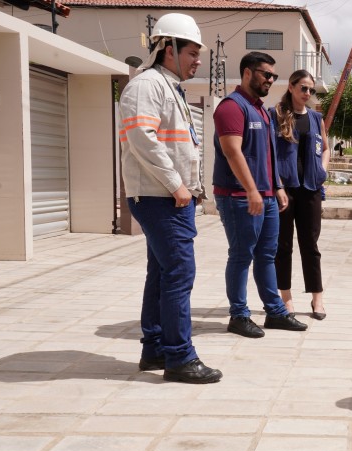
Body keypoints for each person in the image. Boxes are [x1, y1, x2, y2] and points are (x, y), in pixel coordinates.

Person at [119, 13, 222, 384]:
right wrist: (178, 185)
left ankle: (156, 349)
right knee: (179, 273)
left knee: (162, 273)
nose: (198, 59)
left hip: (166, 196)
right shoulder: (147, 86)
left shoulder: (169, 87)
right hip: (161, 196)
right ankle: (179, 357)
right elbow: (143, 138)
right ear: (168, 48)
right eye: (192, 52)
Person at [213, 51, 308, 338]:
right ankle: (238, 315)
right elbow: (232, 151)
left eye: (273, 76)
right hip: (239, 197)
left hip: (265, 196)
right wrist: (252, 190)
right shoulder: (231, 107)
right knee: (241, 255)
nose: (270, 79)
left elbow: (268, 155)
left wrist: (276, 187)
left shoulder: (260, 111)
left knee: (267, 255)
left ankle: (275, 312)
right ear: (246, 72)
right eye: (266, 74)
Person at [269, 70, 330, 320]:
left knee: (310, 244)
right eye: (303, 88)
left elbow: (325, 148)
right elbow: (269, 154)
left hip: (311, 189)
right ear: (291, 87)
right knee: (283, 245)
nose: (307, 93)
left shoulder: (316, 118)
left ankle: (317, 298)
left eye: (311, 90)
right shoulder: (277, 115)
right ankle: (287, 298)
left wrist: (323, 169)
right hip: (286, 189)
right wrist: (277, 186)